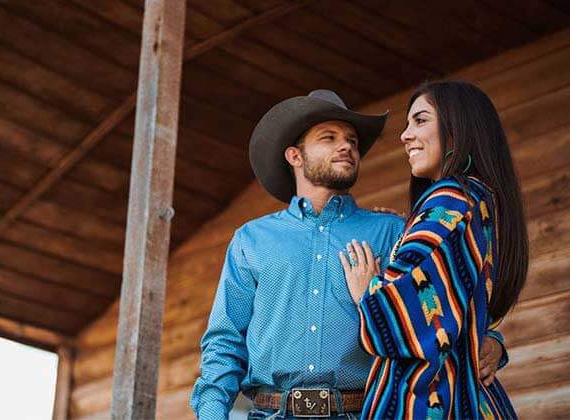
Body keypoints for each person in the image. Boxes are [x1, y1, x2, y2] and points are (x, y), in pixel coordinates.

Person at [191, 90, 507, 419]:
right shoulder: (251, 240)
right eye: (329, 138)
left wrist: (493, 341)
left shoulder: (394, 232)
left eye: (352, 141)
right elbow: (225, 341)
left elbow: (450, 299)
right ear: (295, 156)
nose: (347, 147)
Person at [341, 81, 526, 419]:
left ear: (457, 129)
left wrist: (367, 291)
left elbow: (405, 322)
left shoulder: (450, 203)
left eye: (420, 120)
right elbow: (462, 311)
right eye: (407, 124)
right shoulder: (477, 203)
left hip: (431, 404)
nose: (405, 135)